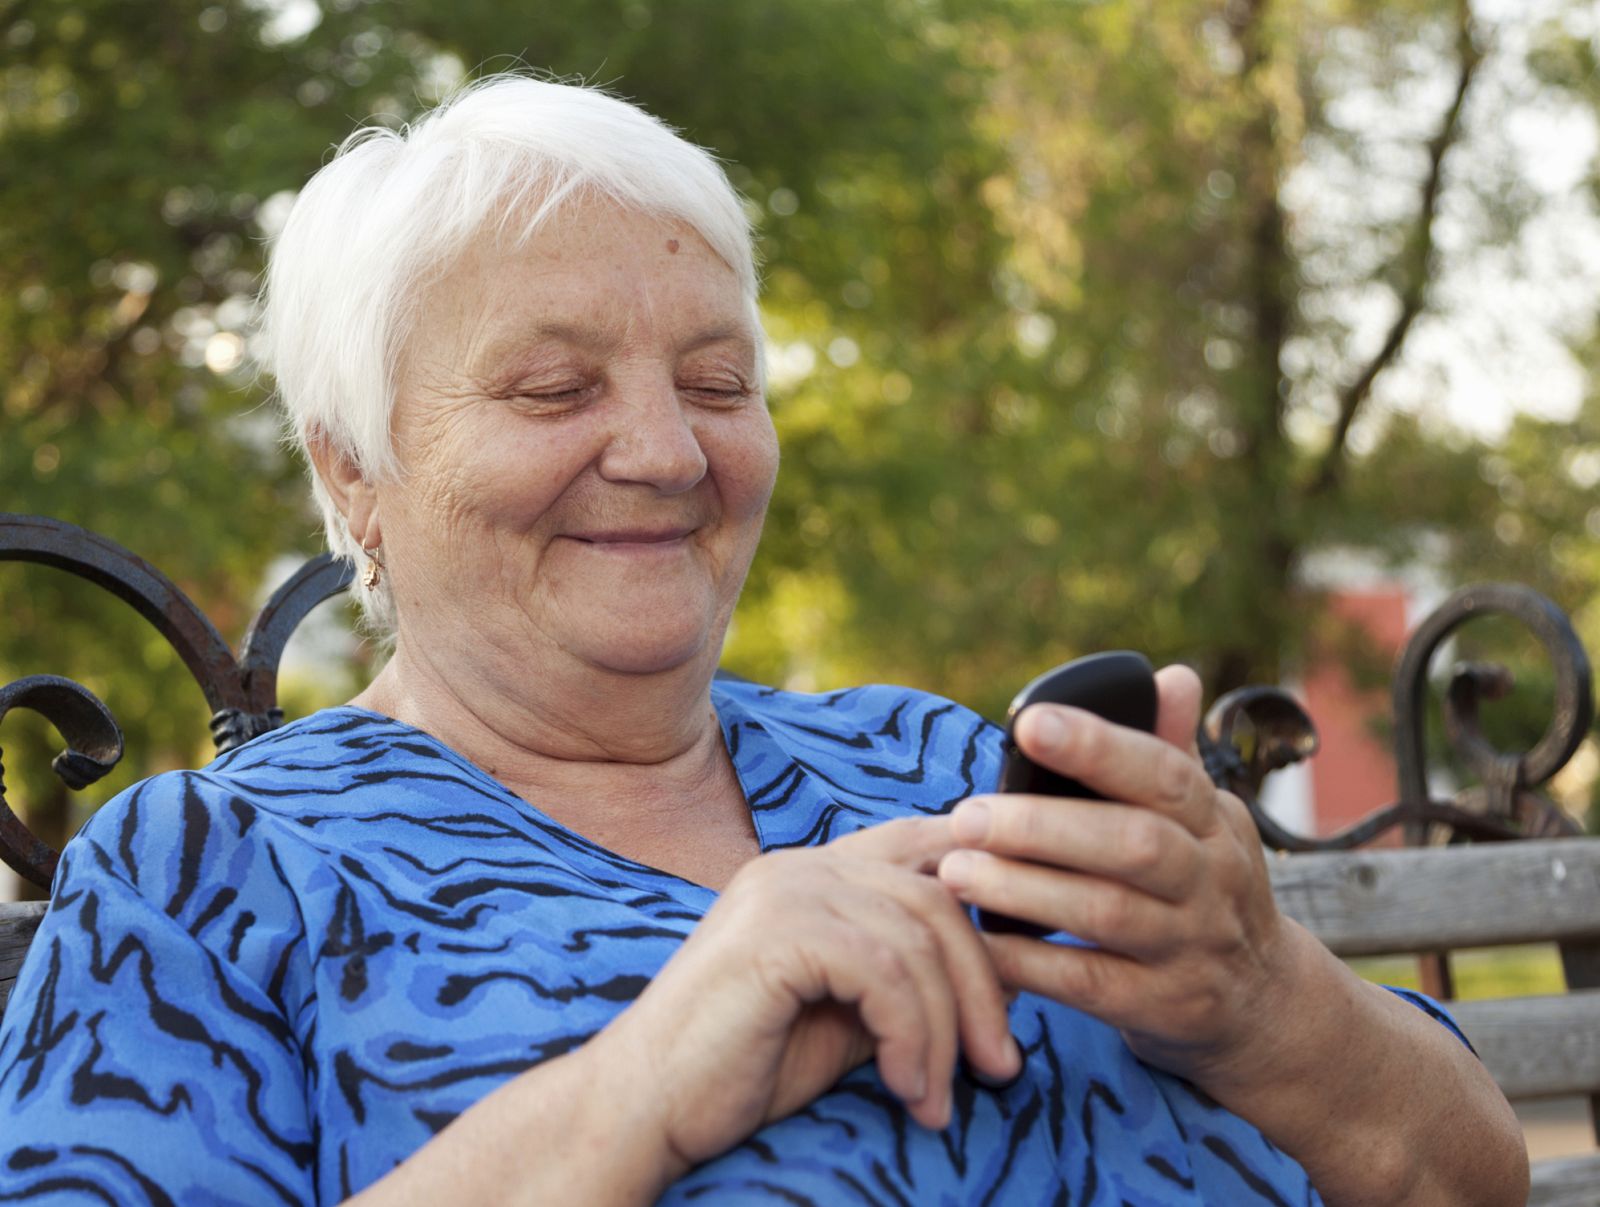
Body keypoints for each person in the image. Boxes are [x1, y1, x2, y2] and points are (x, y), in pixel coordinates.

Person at [0, 76, 1526, 1205]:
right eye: (554, 390)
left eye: (720, 383)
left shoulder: (946, 765)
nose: (667, 451)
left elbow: (1473, 1177)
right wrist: (645, 1086)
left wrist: (1265, 993)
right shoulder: (208, 877)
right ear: (354, 471)